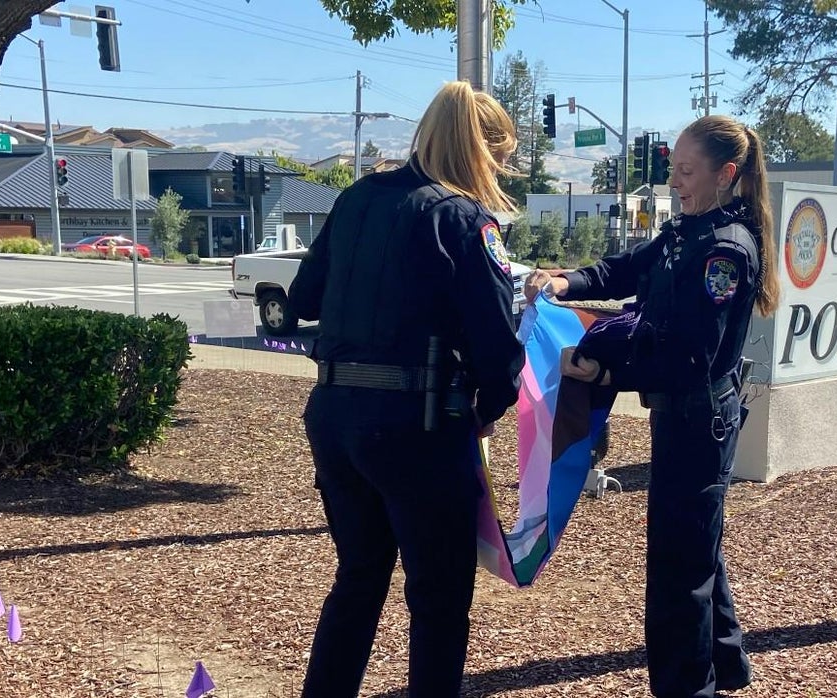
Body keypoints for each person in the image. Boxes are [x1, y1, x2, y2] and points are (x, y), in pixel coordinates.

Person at [524, 115, 782, 698]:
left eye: (687, 172)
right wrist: (568, 282)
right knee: (697, 544)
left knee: (677, 572)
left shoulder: (723, 251)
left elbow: (691, 357)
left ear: (727, 174)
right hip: (685, 413)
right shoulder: (689, 229)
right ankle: (728, 662)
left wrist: (610, 370)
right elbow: (627, 268)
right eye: (674, 169)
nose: (675, 182)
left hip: (699, 417)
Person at [289, 80, 526, 697]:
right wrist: (487, 407)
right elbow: (498, 347)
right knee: (439, 595)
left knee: (360, 575)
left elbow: (304, 298)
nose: (500, 171)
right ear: (481, 150)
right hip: (417, 424)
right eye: (500, 159)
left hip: (336, 416)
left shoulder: (356, 198)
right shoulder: (462, 217)